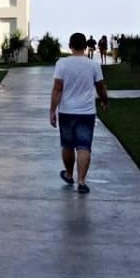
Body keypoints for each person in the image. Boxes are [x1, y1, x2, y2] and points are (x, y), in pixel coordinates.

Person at [49, 32, 109, 194]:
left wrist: (52, 110)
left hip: (67, 111)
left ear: (70, 46)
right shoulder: (93, 65)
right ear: (85, 46)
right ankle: (82, 181)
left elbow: (57, 89)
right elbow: (101, 87)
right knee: (84, 146)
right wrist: (104, 101)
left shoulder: (62, 64)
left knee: (67, 145)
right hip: (86, 112)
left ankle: (69, 174)